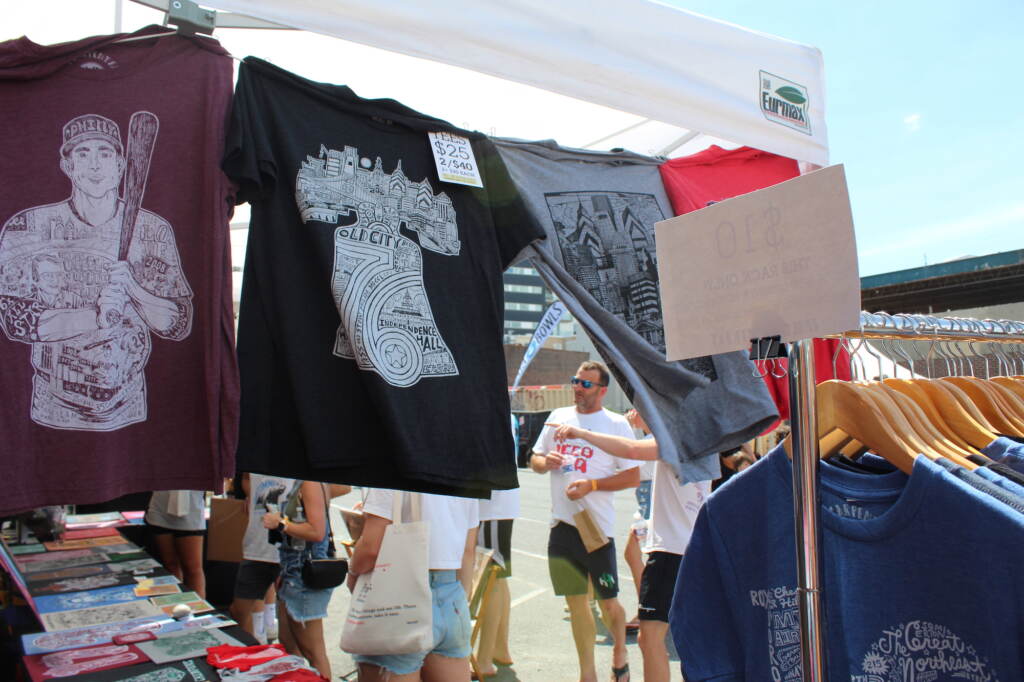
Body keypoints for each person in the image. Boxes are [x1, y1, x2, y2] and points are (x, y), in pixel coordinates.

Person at [0, 112, 192, 432]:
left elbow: (179, 323)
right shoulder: (30, 226)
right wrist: (96, 316)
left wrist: (134, 289)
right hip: (53, 401)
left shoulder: (152, 229)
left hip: (128, 402)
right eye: (82, 153)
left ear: (120, 166)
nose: (94, 165)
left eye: (105, 154)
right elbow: (15, 320)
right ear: (67, 166)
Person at [551, 409, 712, 682]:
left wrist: (581, 433)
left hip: (670, 552)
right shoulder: (704, 437)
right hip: (693, 550)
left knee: (650, 638)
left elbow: (631, 449)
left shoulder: (678, 437)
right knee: (688, 639)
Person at [531, 361, 639, 682]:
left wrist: (592, 485)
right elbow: (535, 460)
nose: (577, 387)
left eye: (585, 384)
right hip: (561, 526)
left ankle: (620, 649)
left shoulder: (616, 424)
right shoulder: (557, 418)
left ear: (603, 390)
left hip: (597, 530)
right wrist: (543, 461)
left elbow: (633, 475)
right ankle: (587, 674)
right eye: (575, 380)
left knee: (608, 605)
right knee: (577, 605)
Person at [349, 489, 479, 682]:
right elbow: (468, 551)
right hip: (451, 595)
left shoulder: (391, 471)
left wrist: (352, 573)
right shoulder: (464, 471)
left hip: (399, 597)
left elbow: (370, 549)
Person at [261, 480, 336, 679]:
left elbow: (317, 532)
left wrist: (281, 523)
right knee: (290, 645)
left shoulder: (310, 483)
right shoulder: (303, 482)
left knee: (313, 653)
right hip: (293, 574)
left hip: (303, 577)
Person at [230, 473, 294, 643]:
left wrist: (305, 500)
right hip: (256, 546)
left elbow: (339, 487)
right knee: (239, 612)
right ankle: (253, 651)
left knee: (293, 632)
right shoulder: (256, 453)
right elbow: (245, 477)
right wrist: (252, 495)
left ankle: (295, 663)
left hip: (290, 550)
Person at [474, 449, 520, 678]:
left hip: (491, 504)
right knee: (498, 576)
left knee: (491, 577)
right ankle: (500, 648)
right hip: (494, 502)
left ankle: (484, 658)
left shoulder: (490, 413)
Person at [622, 409, 655, 632]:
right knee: (638, 555)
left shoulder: (653, 441)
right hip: (647, 500)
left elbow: (629, 464)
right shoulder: (649, 439)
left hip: (650, 503)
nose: (633, 413)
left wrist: (622, 426)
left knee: (636, 554)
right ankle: (651, 607)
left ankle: (649, 609)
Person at [145, 490, 207, 598]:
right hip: (160, 506)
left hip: (191, 508)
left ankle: (200, 611)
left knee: (192, 569)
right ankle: (175, 604)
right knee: (170, 565)